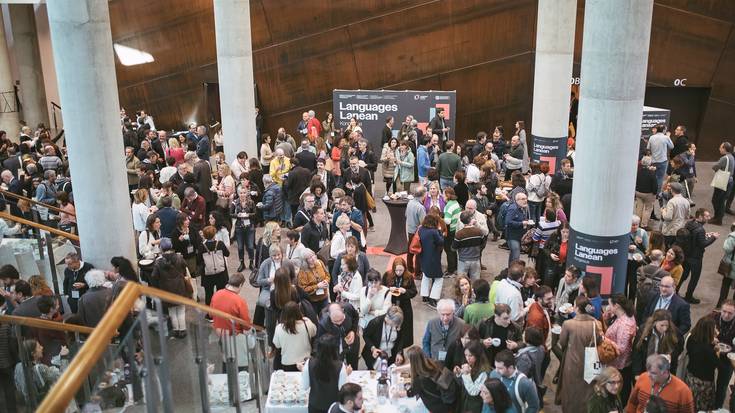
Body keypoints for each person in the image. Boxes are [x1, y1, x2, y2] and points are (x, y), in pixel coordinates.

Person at [556, 296, 602, 412]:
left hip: (572, 361)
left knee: (570, 389)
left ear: (576, 308)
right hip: (591, 361)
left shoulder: (568, 324)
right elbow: (599, 341)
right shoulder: (596, 324)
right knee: (587, 389)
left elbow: (562, 342)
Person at [626, 354, 694, 413]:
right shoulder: (643, 378)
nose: (648, 375)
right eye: (648, 371)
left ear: (665, 372)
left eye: (653, 373)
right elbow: (632, 403)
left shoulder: (683, 391)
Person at [150, 238, 190, 338]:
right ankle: (183, 330)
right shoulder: (179, 257)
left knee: (172, 311)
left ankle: (176, 330)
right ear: (171, 246)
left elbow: (154, 276)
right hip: (180, 287)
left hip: (166, 290)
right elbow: (185, 267)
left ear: (161, 248)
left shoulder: (158, 262)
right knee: (181, 309)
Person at [300, 334, 350, 413]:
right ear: (334, 349)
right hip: (333, 406)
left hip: (315, 404)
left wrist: (304, 371)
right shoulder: (340, 366)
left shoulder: (309, 363)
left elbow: (305, 386)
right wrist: (346, 374)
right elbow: (342, 389)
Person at [602, 294, 637, 402]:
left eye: (610, 304)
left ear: (616, 306)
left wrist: (604, 339)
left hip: (619, 364)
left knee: (619, 392)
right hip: (618, 363)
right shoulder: (623, 316)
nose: (608, 307)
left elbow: (621, 348)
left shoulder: (624, 324)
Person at [680, 208, 719, 303]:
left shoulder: (689, 223)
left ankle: (675, 290)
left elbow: (693, 237)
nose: (709, 218)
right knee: (694, 278)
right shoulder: (700, 229)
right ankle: (689, 296)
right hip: (696, 258)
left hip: (686, 254)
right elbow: (702, 244)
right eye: (707, 216)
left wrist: (705, 235)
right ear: (700, 217)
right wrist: (713, 237)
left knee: (683, 275)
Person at [404, 345, 458, 413]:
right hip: (450, 403)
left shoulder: (420, 380)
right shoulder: (434, 364)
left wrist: (397, 393)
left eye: (409, 360)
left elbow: (411, 393)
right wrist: (397, 369)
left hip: (439, 409)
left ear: (413, 362)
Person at [14, 339, 68, 403]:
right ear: (33, 354)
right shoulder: (40, 369)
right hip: (47, 402)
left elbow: (18, 386)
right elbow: (63, 375)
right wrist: (64, 357)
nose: (42, 347)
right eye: (39, 347)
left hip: (30, 403)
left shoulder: (19, 366)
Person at [683, 315, 718, 411]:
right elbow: (716, 363)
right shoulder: (708, 349)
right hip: (703, 383)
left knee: (689, 402)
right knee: (701, 407)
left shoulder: (691, 338)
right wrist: (716, 350)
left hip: (690, 376)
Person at [631, 309, 679, 377]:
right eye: (662, 325)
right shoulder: (643, 331)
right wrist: (637, 373)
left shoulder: (673, 333)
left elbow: (677, 349)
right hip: (644, 369)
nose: (665, 329)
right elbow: (637, 352)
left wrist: (671, 355)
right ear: (655, 322)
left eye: (667, 325)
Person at [382, 257, 417, 345]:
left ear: (404, 268)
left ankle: (401, 347)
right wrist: (389, 289)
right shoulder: (388, 275)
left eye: (401, 270)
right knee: (390, 325)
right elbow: (382, 288)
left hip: (404, 306)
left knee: (404, 328)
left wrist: (405, 291)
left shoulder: (409, 277)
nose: (398, 273)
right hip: (391, 304)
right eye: (396, 270)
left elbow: (414, 291)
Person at [273, 301, 317, 372]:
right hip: (305, 361)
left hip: (287, 362)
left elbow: (277, 345)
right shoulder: (307, 323)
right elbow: (314, 333)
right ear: (298, 311)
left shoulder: (279, 328)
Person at [317, 303, 360, 369]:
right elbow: (321, 341)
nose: (339, 323)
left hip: (352, 342)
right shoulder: (323, 323)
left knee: (353, 365)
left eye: (341, 319)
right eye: (335, 321)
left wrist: (353, 331)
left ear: (343, 311)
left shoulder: (348, 308)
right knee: (338, 367)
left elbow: (356, 317)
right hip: (335, 347)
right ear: (329, 316)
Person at [422, 299, 466, 363]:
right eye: (443, 314)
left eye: (448, 314)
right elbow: (426, 342)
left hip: (452, 362)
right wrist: (428, 358)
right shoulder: (431, 323)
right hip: (434, 361)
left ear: (453, 313)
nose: (445, 318)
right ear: (438, 313)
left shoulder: (461, 324)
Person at [455, 339, 492, 413]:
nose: (467, 358)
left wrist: (466, 374)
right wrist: (459, 372)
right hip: (465, 402)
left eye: (470, 355)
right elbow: (464, 383)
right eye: (466, 355)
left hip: (475, 406)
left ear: (477, 355)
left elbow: (474, 391)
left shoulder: (484, 371)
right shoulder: (470, 364)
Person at [418, 214, 445, 306]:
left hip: (423, 257)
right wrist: (440, 232)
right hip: (433, 258)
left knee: (425, 276)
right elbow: (441, 241)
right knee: (439, 278)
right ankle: (433, 298)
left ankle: (424, 296)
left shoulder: (421, 229)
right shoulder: (434, 232)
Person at [199, 225, 229, 306]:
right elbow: (227, 254)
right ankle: (220, 309)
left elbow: (199, 260)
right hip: (221, 273)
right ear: (214, 234)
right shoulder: (220, 244)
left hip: (208, 274)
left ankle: (210, 311)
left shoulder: (202, 246)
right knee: (221, 294)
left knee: (209, 294)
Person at [255, 245, 285, 326]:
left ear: (282, 253)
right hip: (269, 290)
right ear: (270, 255)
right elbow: (259, 281)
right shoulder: (265, 264)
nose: (277, 257)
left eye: (279, 254)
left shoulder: (286, 263)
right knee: (270, 312)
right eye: (274, 255)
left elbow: (293, 277)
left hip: (283, 291)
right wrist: (268, 280)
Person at [453, 211, 485, 280]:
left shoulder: (459, 234)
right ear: (471, 219)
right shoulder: (479, 231)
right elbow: (482, 243)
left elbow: (453, 248)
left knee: (461, 280)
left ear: (461, 221)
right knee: (475, 281)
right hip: (476, 259)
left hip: (463, 260)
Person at [231, 187, 257, 271]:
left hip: (249, 227)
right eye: (241, 193)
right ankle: (242, 263)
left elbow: (255, 214)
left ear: (247, 193)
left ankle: (251, 263)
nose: (242, 194)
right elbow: (230, 214)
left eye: (244, 193)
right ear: (238, 194)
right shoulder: (234, 202)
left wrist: (248, 215)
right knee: (240, 247)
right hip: (239, 227)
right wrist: (237, 215)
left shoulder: (251, 202)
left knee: (250, 246)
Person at [297, 250, 331, 315]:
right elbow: (303, 289)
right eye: (309, 258)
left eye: (313, 255)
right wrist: (317, 286)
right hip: (312, 300)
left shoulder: (320, 262)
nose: (313, 258)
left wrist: (326, 281)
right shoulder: (303, 272)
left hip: (324, 297)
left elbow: (327, 275)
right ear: (305, 261)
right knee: (314, 318)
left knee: (325, 317)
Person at [710, 141, 734, 225]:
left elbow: (715, 167)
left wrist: (716, 168)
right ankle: (717, 218)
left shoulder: (724, 158)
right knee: (721, 200)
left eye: (720, 147)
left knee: (716, 200)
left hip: (723, 181)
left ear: (724, 149)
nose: (719, 149)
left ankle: (718, 219)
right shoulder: (731, 157)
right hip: (729, 181)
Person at [505, 192, 531, 265]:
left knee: (513, 255)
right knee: (516, 256)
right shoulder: (513, 209)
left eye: (526, 198)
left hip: (519, 236)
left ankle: (510, 270)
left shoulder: (523, 207)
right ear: (517, 200)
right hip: (512, 236)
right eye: (523, 199)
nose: (525, 200)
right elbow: (508, 222)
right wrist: (522, 223)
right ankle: (514, 270)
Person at [406, 186, 427, 274]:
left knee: (410, 251)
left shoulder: (410, 202)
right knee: (418, 252)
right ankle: (418, 272)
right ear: (423, 195)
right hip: (417, 233)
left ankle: (409, 269)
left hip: (410, 230)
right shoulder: (420, 207)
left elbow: (406, 215)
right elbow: (424, 223)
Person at [634, 156, 658, 228]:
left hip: (638, 192)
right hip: (648, 194)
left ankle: (636, 223)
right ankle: (644, 225)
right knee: (648, 209)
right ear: (649, 163)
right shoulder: (651, 173)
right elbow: (655, 185)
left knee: (639, 208)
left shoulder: (638, 171)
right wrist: (654, 193)